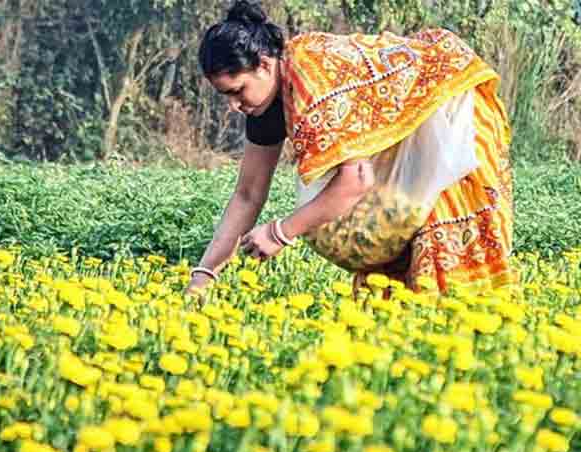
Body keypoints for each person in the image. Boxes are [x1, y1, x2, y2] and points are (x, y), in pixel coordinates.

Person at [188, 1, 515, 297]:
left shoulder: (308, 74)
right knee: (393, 249)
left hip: (453, 117)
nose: (234, 106)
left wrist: (280, 233)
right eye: (226, 96)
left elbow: (357, 179)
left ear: (263, 64)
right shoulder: (263, 105)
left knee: (442, 260)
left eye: (237, 91)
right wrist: (202, 278)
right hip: (406, 144)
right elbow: (247, 194)